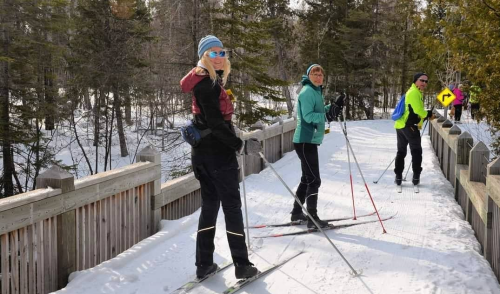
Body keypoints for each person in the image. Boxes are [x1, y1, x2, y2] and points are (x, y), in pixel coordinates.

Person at [180, 35, 260, 280]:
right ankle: (242, 265)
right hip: (217, 157)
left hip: (203, 156)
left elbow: (211, 121)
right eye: (213, 53)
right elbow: (215, 123)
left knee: (210, 207)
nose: (219, 57)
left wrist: (233, 136)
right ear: (204, 56)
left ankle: (204, 264)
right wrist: (239, 145)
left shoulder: (204, 82)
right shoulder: (208, 85)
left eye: (222, 52)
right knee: (232, 208)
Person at [290, 64, 334, 229]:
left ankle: (296, 212)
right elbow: (308, 116)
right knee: (314, 180)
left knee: (306, 179)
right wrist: (326, 114)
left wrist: (332, 108)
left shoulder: (315, 91)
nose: (318, 77)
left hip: (308, 140)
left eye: (320, 74)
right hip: (305, 140)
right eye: (314, 74)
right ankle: (312, 218)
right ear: (308, 76)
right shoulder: (308, 91)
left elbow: (319, 111)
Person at [393, 72, 434, 186]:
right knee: (416, 151)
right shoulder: (414, 93)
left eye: (426, 81)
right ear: (415, 80)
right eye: (422, 80)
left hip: (401, 125)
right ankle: (416, 177)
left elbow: (414, 111)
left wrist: (423, 118)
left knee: (401, 151)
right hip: (409, 126)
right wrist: (428, 114)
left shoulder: (413, 92)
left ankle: (398, 177)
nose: (424, 83)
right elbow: (418, 111)